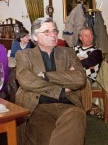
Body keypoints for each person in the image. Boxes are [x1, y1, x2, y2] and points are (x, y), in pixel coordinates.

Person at [15, 17, 88, 145]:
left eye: (54, 30)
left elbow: (80, 79)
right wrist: (60, 89)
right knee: (47, 138)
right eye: (47, 32)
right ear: (35, 37)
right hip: (38, 107)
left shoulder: (68, 53)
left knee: (77, 115)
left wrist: (46, 76)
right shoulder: (24, 55)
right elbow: (26, 80)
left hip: (68, 104)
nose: (53, 34)